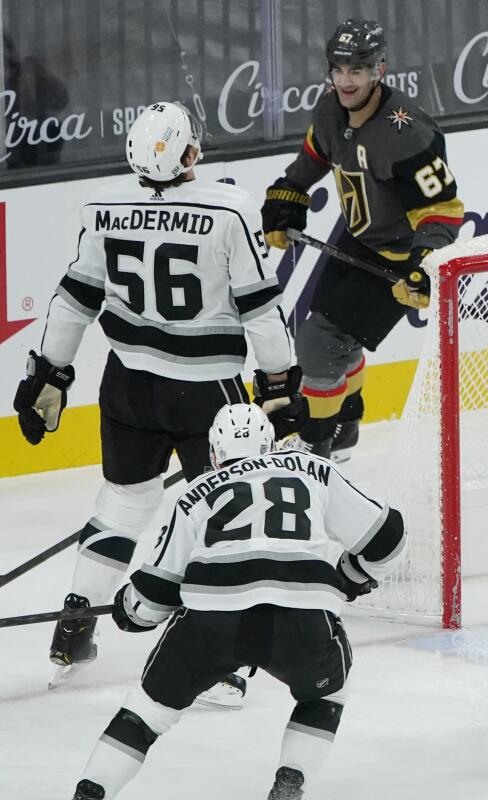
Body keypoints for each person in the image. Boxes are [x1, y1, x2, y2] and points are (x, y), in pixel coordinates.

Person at [12, 101, 301, 701]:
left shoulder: (104, 211)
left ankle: (74, 630)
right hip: (209, 395)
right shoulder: (229, 209)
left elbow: (72, 303)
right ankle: (216, 659)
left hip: (127, 387)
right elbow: (260, 309)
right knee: (223, 513)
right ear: (191, 153)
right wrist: (280, 385)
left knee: (122, 505)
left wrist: (49, 374)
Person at [70, 403, 407, 800]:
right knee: (325, 694)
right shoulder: (311, 469)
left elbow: (150, 601)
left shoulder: (196, 493)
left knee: (147, 713)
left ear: (213, 453)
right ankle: (292, 778)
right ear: (270, 444)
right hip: (301, 617)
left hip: (212, 622)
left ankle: (92, 790)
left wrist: (128, 609)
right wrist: (351, 576)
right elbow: (389, 538)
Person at [259, 18, 463, 460]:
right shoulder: (330, 110)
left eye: (357, 69)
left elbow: (444, 209)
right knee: (333, 337)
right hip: (358, 239)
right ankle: (345, 423)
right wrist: (289, 191)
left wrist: (424, 262)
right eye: (339, 69)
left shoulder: (405, 133)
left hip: (399, 257)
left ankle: (315, 443)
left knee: (320, 341)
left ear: (379, 71)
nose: (346, 80)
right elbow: (314, 157)